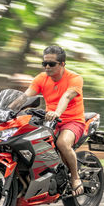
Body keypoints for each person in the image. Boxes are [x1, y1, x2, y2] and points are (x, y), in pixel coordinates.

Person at [13, 45, 85, 196]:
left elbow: (66, 96)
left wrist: (57, 113)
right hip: (49, 121)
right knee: (24, 139)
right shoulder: (41, 78)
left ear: (62, 64)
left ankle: (75, 177)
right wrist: (7, 110)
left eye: (51, 64)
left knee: (62, 143)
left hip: (72, 121)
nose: (47, 67)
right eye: (44, 63)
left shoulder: (75, 78)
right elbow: (25, 97)